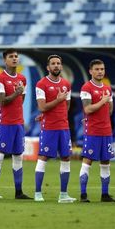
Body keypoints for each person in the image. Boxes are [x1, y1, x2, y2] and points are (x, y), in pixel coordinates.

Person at [0, 48, 32, 200]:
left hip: (18, 124)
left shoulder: (22, 79)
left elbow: (21, 100)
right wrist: (16, 93)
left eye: (16, 56)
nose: (14, 59)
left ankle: (19, 192)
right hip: (5, 123)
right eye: (11, 57)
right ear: (5, 60)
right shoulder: (0, 78)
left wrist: (18, 93)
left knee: (18, 156)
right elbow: (2, 101)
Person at [34, 54, 76, 203]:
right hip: (49, 128)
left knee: (66, 157)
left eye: (58, 63)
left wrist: (57, 109)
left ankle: (63, 195)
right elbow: (42, 106)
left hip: (63, 127)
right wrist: (57, 101)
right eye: (53, 63)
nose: (56, 66)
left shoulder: (66, 84)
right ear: (48, 67)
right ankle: (38, 193)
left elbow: (67, 105)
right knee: (43, 157)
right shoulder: (41, 84)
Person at [79, 59, 115, 203]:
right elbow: (87, 109)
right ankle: (83, 195)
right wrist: (102, 102)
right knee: (87, 161)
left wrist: (106, 103)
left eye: (102, 69)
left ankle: (105, 194)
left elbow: (110, 110)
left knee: (106, 162)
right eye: (96, 69)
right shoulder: (86, 88)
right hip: (92, 131)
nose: (100, 71)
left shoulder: (108, 88)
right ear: (90, 71)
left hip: (106, 130)